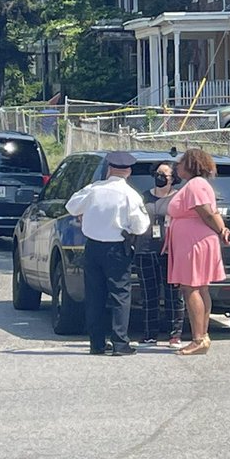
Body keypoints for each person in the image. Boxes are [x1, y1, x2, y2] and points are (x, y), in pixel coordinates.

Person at [67, 151, 150, 356]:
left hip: (93, 247)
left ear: (109, 169)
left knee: (95, 295)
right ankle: (120, 343)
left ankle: (96, 344)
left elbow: (71, 206)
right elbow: (140, 227)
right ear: (128, 171)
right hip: (117, 249)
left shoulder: (94, 190)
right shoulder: (131, 195)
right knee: (120, 295)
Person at [165, 148, 230, 356]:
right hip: (195, 240)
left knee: (191, 288)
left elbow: (206, 213)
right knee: (200, 287)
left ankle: (198, 338)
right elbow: (212, 212)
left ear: (190, 165)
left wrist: (221, 230)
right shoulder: (199, 185)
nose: (177, 167)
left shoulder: (195, 185)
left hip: (194, 242)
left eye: (180, 163)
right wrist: (223, 230)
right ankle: (202, 335)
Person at [135, 161, 184, 346]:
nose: (160, 177)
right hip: (144, 250)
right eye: (158, 173)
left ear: (173, 178)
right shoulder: (144, 197)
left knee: (173, 295)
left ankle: (175, 334)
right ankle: (149, 334)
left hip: (169, 252)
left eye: (165, 174)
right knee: (149, 295)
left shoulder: (178, 198)